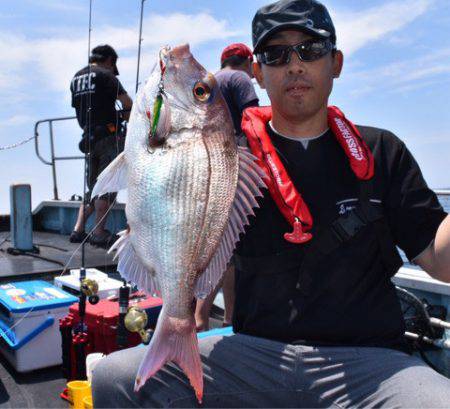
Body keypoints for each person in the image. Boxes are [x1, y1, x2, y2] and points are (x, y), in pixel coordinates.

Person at [92, 0, 450, 407]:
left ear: (336, 63)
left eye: (311, 50)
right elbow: (198, 235)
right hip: (256, 354)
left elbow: (441, 262)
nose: (295, 65)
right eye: (276, 54)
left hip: (372, 363)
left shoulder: (381, 150)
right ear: (258, 73)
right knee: (112, 379)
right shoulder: (226, 161)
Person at [195, 43, 259, 331]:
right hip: (234, 166)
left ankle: (230, 317)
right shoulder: (240, 79)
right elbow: (254, 122)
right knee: (227, 248)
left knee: (224, 247)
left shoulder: (207, 82)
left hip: (207, 166)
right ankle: (201, 316)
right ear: (246, 61)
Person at [69, 44, 133, 247]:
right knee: (108, 184)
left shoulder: (76, 79)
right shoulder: (107, 76)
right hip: (108, 136)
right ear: (110, 61)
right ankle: (98, 232)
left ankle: (78, 230)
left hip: (88, 139)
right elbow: (126, 102)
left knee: (93, 187)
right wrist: (129, 117)